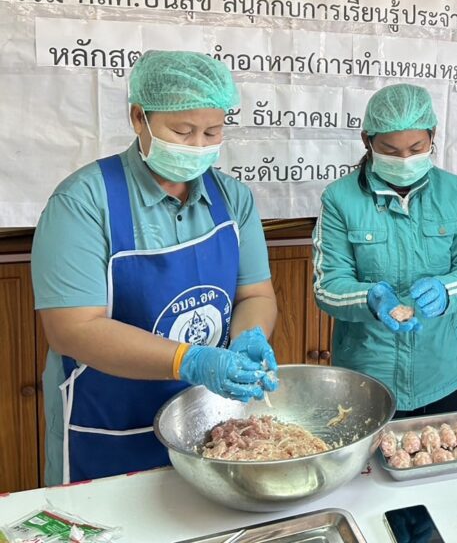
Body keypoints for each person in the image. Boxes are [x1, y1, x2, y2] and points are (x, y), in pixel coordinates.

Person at [32, 51, 279, 485]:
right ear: (138, 118)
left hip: (209, 422)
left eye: (212, 132)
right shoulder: (84, 202)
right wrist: (190, 359)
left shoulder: (232, 198)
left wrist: (248, 338)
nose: (198, 145)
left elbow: (255, 294)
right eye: (182, 131)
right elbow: (72, 329)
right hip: (110, 429)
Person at [313, 84, 457, 416]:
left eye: (416, 148)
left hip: (441, 371)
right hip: (366, 376)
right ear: (367, 141)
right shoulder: (340, 198)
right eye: (391, 150)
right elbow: (327, 287)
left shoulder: (456, 193)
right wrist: (370, 298)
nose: (405, 160)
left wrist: (446, 291)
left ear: (432, 136)